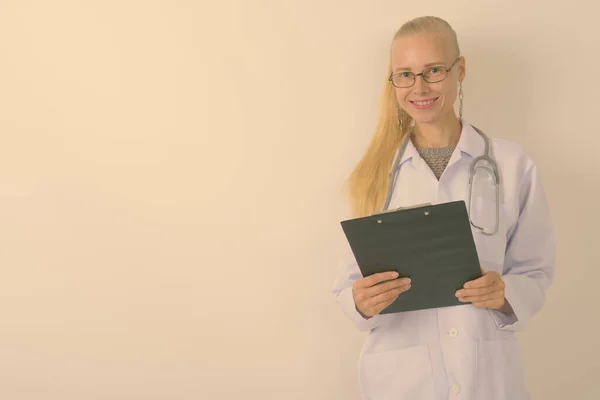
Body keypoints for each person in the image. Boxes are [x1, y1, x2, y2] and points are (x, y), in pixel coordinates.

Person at [331, 16, 555, 400]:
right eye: (404, 74)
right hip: (402, 379)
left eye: (433, 70)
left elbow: (535, 271)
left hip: (485, 374)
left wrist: (504, 293)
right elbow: (346, 287)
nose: (419, 87)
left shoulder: (513, 164)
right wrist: (361, 301)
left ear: (460, 70)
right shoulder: (373, 174)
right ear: (393, 81)